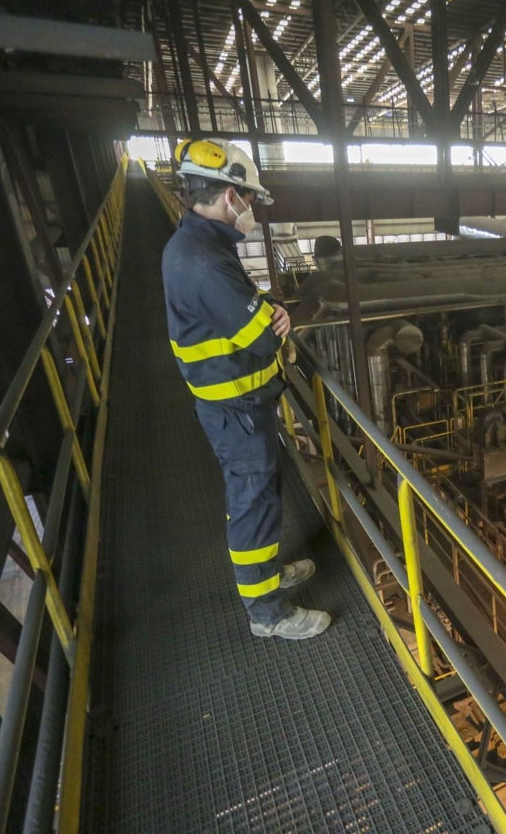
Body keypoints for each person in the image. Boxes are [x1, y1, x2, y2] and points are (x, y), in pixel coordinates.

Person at [162, 138, 330, 640]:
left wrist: (267, 308)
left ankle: (267, 575)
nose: (251, 207)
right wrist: (269, 318)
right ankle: (268, 613)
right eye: (249, 198)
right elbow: (260, 339)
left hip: (237, 404)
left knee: (261, 494)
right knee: (253, 501)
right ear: (229, 196)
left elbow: (252, 306)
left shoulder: (201, 244)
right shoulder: (205, 261)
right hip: (236, 407)